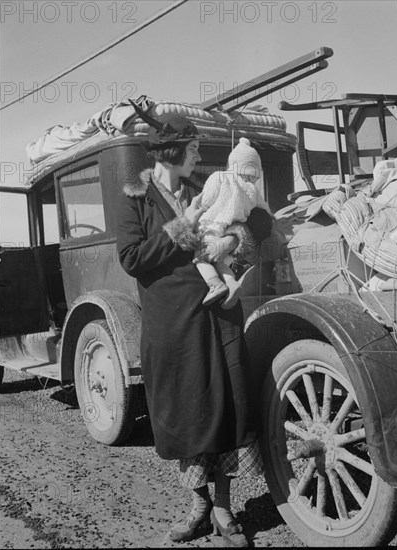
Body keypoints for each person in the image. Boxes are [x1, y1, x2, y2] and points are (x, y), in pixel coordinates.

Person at [116, 109, 272, 547]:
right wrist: (185, 224)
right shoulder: (136, 197)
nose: (199, 154)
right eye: (193, 148)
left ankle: (223, 506)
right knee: (188, 411)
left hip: (218, 311)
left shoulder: (205, 187)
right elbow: (132, 259)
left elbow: (257, 218)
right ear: (173, 151)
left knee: (226, 404)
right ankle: (199, 505)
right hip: (172, 323)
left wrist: (233, 245)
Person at [193, 137, 272, 309]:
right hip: (232, 231)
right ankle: (232, 284)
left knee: (200, 257)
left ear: (232, 163)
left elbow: (207, 199)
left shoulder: (219, 177)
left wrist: (197, 208)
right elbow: (265, 209)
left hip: (212, 227)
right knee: (220, 261)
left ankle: (215, 284)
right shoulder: (253, 189)